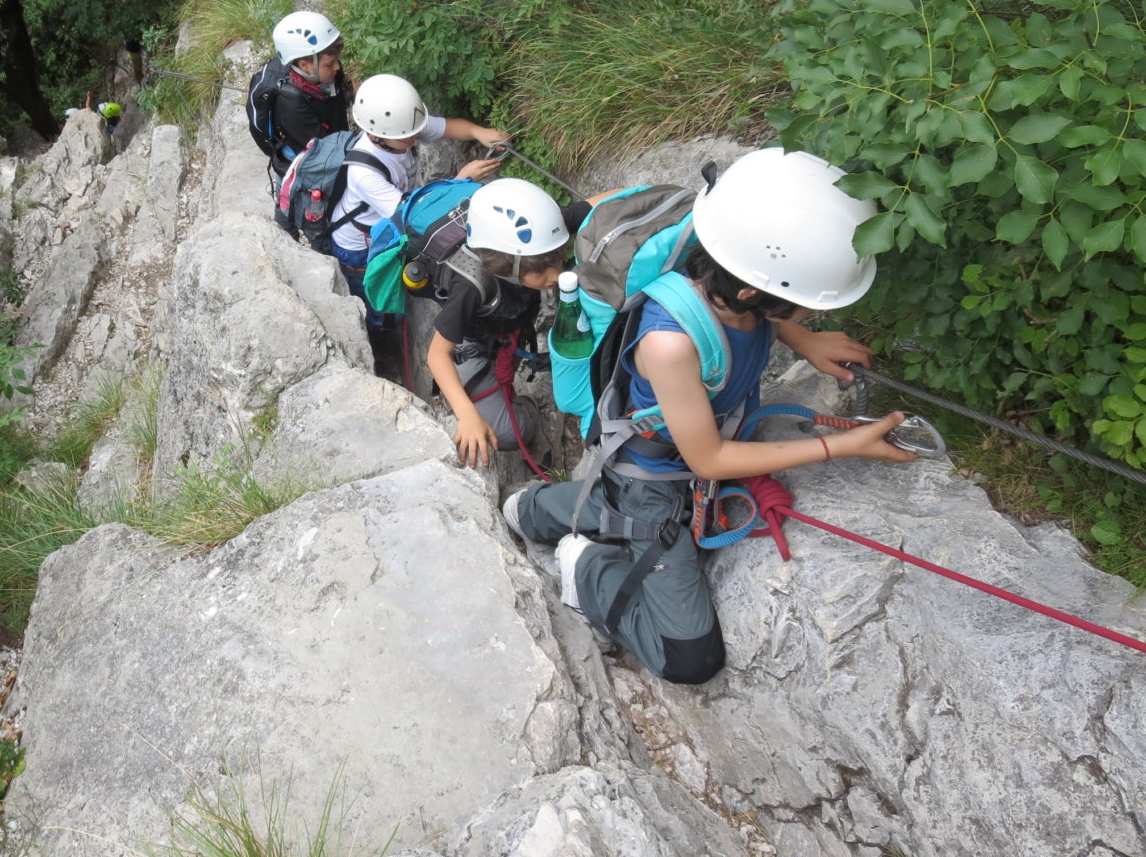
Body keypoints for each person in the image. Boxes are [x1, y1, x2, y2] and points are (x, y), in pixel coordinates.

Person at [502, 148, 916, 685]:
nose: (809, 312)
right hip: (658, 479)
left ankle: (534, 510)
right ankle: (586, 567)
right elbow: (709, 458)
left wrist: (804, 338)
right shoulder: (671, 343)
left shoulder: (721, 266)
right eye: (804, 307)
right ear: (750, 292)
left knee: (609, 503)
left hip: (669, 462)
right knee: (689, 660)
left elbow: (757, 310)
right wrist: (843, 445)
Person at [425, 177, 610, 467]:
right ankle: (527, 410)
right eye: (542, 271)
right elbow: (437, 355)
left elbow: (602, 202)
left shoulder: (536, 239)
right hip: (472, 342)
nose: (555, 275)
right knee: (510, 434)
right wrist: (467, 415)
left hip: (505, 327)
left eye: (556, 260)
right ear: (507, 267)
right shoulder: (471, 286)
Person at [327, 74, 506, 320]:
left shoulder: (401, 128)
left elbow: (449, 127)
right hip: (358, 245)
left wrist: (479, 131)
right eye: (408, 136)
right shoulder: (364, 173)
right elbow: (411, 213)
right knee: (375, 296)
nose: (415, 137)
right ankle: (379, 328)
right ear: (376, 136)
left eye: (416, 130)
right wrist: (461, 181)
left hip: (387, 222)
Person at [269, 10, 353, 174]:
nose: (337, 67)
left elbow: (344, 91)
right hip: (308, 173)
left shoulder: (325, 75)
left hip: (335, 146)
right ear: (304, 66)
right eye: (330, 64)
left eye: (337, 60)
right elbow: (326, 150)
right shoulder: (291, 105)